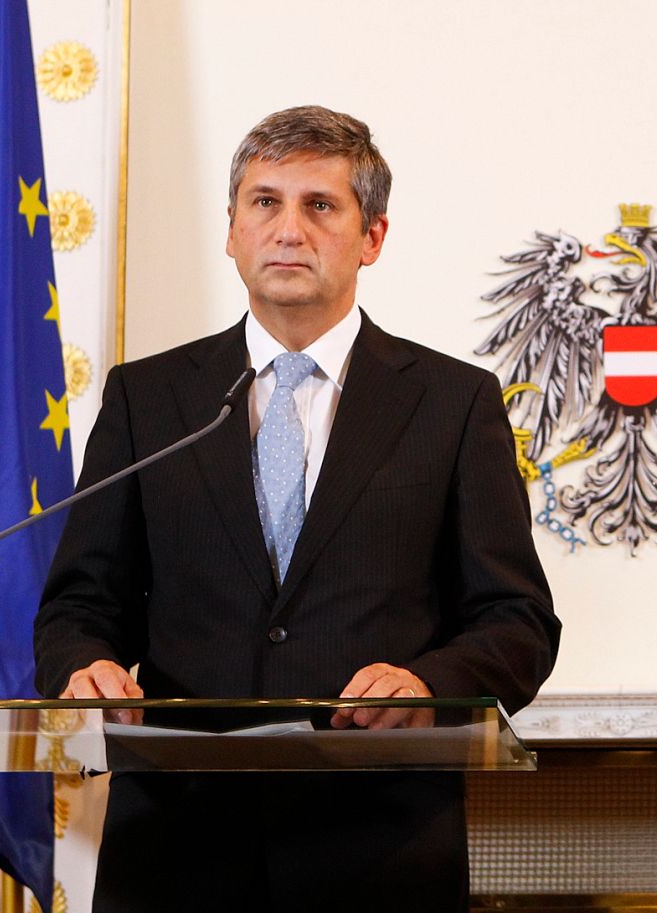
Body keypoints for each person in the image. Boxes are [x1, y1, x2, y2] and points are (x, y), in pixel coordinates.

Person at [35, 105, 560, 912]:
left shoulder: (453, 403)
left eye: (320, 205)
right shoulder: (150, 398)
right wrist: (83, 667)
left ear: (372, 237)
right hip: (176, 852)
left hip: (378, 854)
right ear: (232, 231)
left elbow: (517, 620)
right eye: (264, 202)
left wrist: (427, 680)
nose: (288, 228)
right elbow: (80, 601)